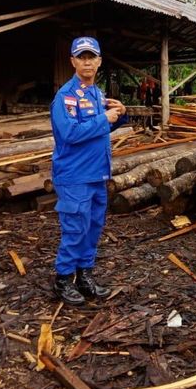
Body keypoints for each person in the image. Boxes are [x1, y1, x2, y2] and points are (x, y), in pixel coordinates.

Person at [50, 36, 128, 305]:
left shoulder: (97, 94)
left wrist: (121, 114)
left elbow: (101, 128)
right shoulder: (65, 97)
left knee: (93, 227)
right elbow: (69, 133)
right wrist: (102, 119)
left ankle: (85, 276)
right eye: (81, 57)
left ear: (99, 62)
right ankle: (62, 280)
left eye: (91, 57)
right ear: (72, 61)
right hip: (74, 177)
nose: (87, 62)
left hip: (97, 174)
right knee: (75, 228)